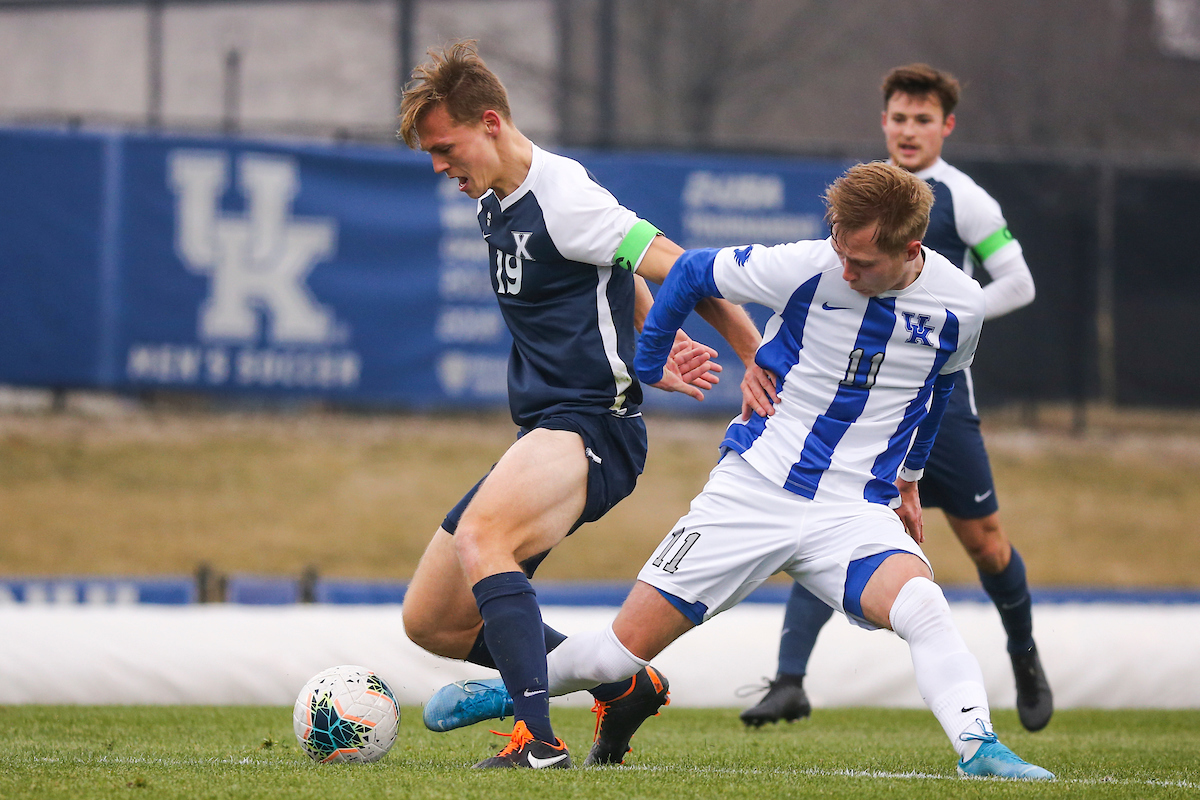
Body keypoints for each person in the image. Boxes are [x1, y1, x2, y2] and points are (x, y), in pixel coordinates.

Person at [431, 161, 1055, 780]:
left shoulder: (962, 307)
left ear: (910, 249)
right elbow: (692, 271)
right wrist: (650, 361)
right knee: (621, 654)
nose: (845, 269)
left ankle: (981, 749)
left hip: (852, 511)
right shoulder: (808, 265)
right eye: (840, 248)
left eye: (862, 262)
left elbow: (938, 389)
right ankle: (513, 691)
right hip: (751, 490)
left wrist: (911, 478)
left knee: (923, 606)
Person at [396, 41, 763, 769]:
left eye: (445, 148)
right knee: (432, 620)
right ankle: (619, 683)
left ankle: (537, 743)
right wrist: (647, 346)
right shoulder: (497, 197)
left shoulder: (564, 198)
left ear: (491, 122)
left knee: (481, 539)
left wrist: (754, 357)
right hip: (549, 426)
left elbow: (682, 265)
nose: (441, 167)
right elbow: (615, 271)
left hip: (594, 426)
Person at [739, 63, 1052, 734]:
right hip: (861, 406)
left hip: (940, 406)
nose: (910, 131)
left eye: (924, 120)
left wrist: (938, 331)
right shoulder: (867, 197)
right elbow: (821, 286)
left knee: (986, 543)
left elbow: (1018, 283)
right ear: (884, 122)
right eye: (900, 118)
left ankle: (1024, 655)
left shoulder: (964, 199)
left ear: (947, 127)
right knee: (829, 517)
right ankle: (790, 680)